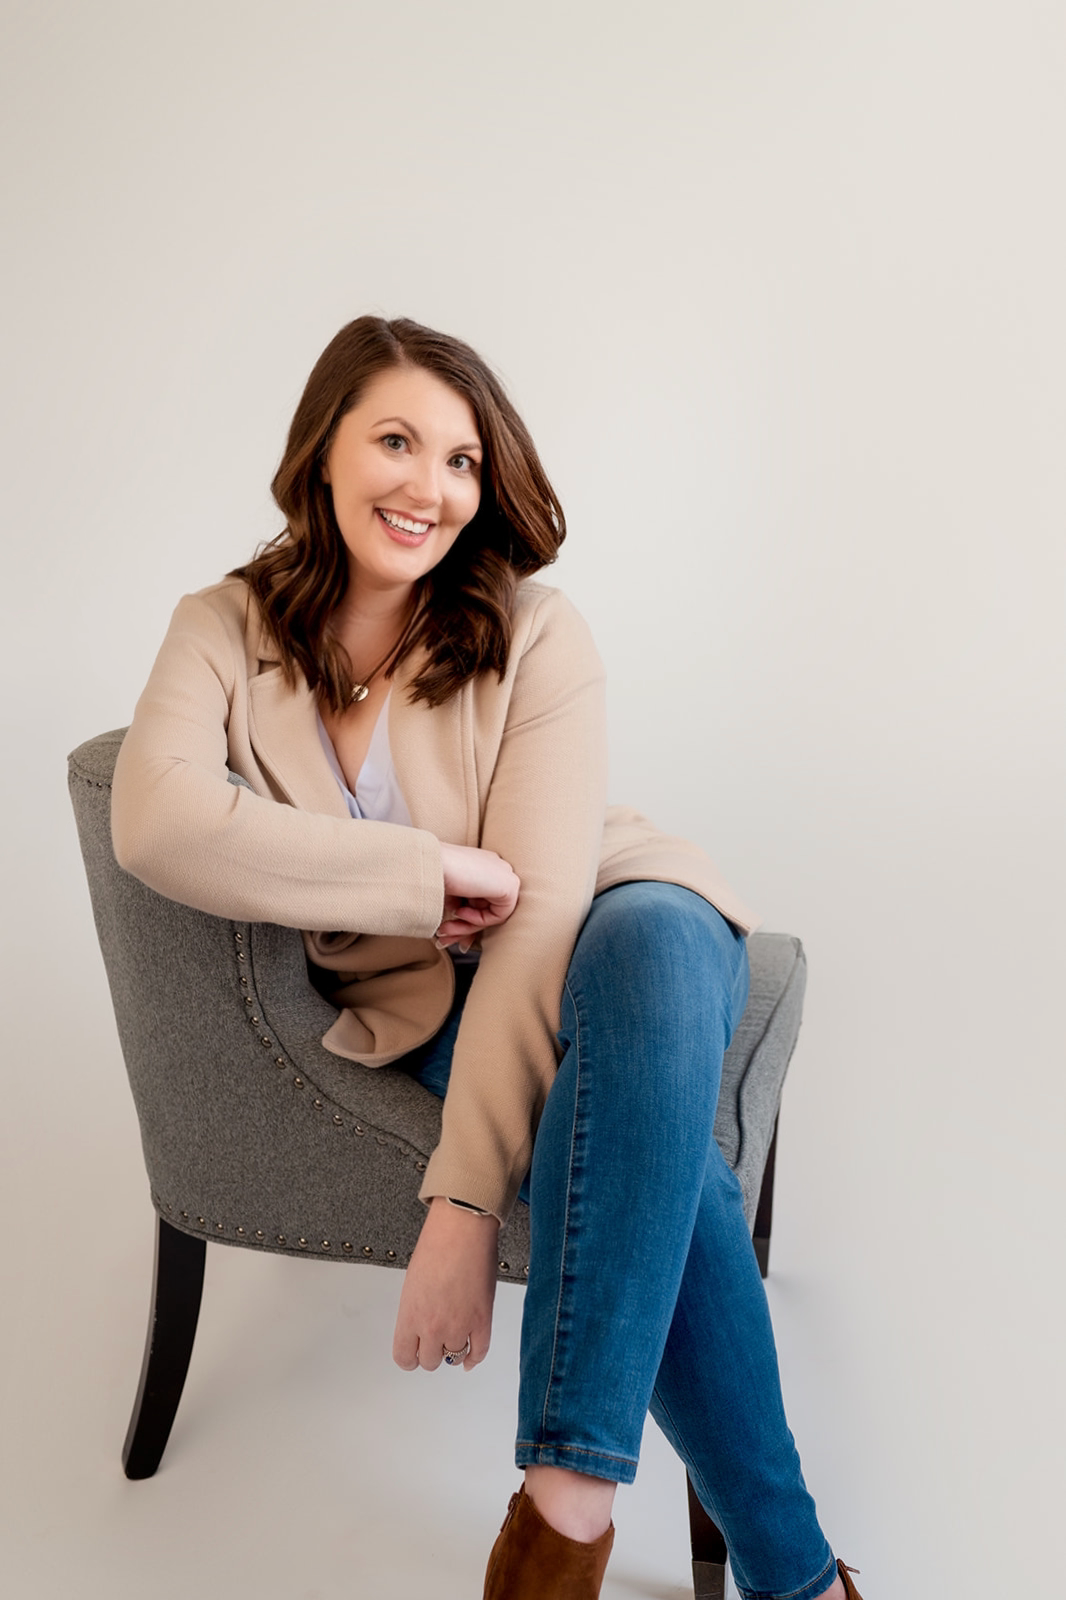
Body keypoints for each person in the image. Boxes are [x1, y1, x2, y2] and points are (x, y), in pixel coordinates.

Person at [111, 315, 864, 1600]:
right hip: (425, 990)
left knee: (648, 959)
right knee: (653, 1160)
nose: (430, 487)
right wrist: (425, 879)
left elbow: (545, 904)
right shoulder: (219, 628)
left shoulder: (534, 627)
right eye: (395, 441)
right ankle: (802, 1581)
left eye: (461, 459)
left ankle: (561, 1516)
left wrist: (461, 1206)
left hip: (621, 911)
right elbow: (154, 818)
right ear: (324, 448)